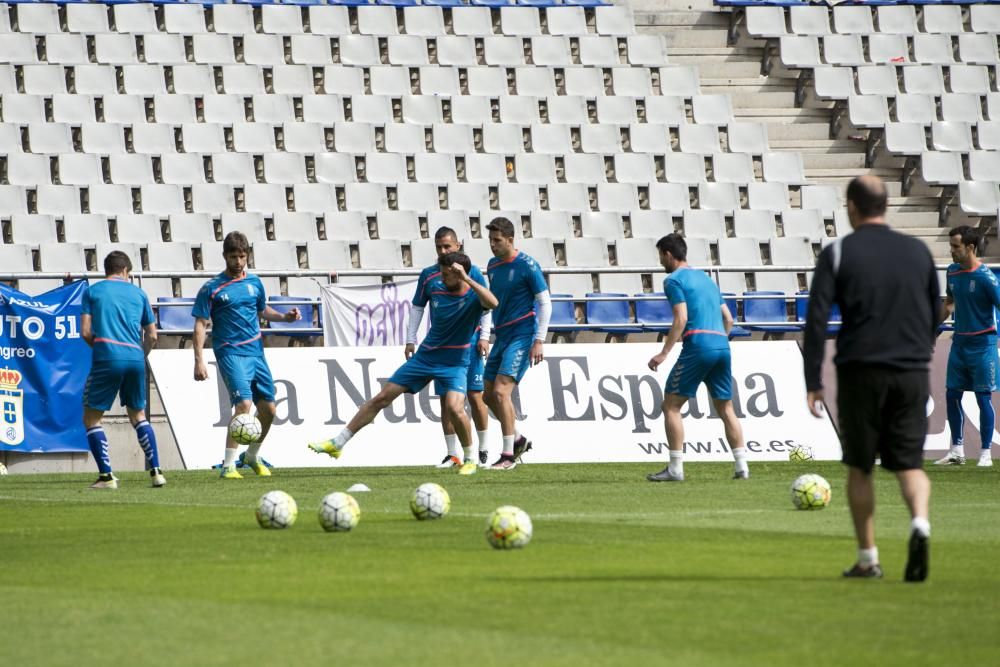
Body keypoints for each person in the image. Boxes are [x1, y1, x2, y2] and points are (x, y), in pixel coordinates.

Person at [803, 175, 937, 582]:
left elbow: (816, 320)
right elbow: (934, 311)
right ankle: (920, 525)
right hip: (912, 370)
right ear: (886, 205)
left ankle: (868, 558)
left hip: (862, 369)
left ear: (852, 207)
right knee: (910, 465)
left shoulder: (840, 252)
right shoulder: (918, 251)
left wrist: (813, 380)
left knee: (861, 467)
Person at [308, 252, 497, 474]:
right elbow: (418, 306)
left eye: (447, 275)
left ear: (459, 274)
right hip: (425, 357)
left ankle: (470, 459)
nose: (442, 278)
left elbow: (493, 302)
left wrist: (467, 278)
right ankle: (337, 443)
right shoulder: (436, 287)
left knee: (455, 408)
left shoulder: (474, 298)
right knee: (382, 397)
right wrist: (411, 339)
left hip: (455, 363)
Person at [192, 231, 301, 479]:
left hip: (256, 353)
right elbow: (200, 324)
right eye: (233, 257)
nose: (238, 262)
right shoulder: (212, 288)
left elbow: (263, 311)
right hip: (230, 352)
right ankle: (228, 465)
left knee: (270, 411)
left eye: (242, 256)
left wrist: (285, 317)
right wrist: (199, 359)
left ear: (247, 256)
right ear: (224, 256)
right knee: (243, 404)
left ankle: (251, 456)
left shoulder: (255, 284)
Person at [645, 234, 749, 482]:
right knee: (726, 408)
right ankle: (742, 467)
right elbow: (729, 319)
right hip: (722, 346)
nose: (660, 261)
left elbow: (680, 318)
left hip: (698, 344)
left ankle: (675, 469)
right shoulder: (707, 279)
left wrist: (664, 352)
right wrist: (718, 341)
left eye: (661, 256)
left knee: (670, 406)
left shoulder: (673, 280)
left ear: (668, 254)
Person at [407, 226, 493, 468]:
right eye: (439, 247)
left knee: (475, 395)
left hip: (471, 342)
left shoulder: (472, 272)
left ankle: (484, 448)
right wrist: (410, 338)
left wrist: (485, 336)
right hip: (443, 348)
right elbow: (417, 307)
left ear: (458, 246)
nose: (443, 251)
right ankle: (452, 454)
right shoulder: (429, 275)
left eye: (447, 246)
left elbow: (485, 303)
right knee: (447, 401)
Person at [80, 251, 163, 489]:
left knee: (92, 418)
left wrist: (102, 349)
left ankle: (106, 477)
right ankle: (156, 471)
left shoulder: (92, 291)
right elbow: (153, 335)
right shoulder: (139, 293)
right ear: (126, 271)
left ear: (107, 270)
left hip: (107, 355)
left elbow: (85, 331)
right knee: (138, 416)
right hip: (135, 357)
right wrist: (140, 354)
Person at [482, 217, 551, 470]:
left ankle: (508, 455)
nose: (493, 245)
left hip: (522, 334)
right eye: (490, 240)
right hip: (501, 335)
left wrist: (539, 340)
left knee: (501, 392)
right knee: (488, 395)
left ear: (510, 240)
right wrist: (487, 334)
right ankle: (519, 438)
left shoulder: (528, 265)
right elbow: (492, 302)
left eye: (497, 240)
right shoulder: (492, 265)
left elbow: (545, 302)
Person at [935, 226, 1000, 468]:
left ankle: (985, 453)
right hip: (960, 343)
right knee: (952, 395)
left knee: (983, 398)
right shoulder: (952, 272)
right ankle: (957, 451)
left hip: (984, 345)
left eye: (955, 246)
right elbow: (950, 303)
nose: (951, 251)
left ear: (970, 248)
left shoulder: (986, 278)